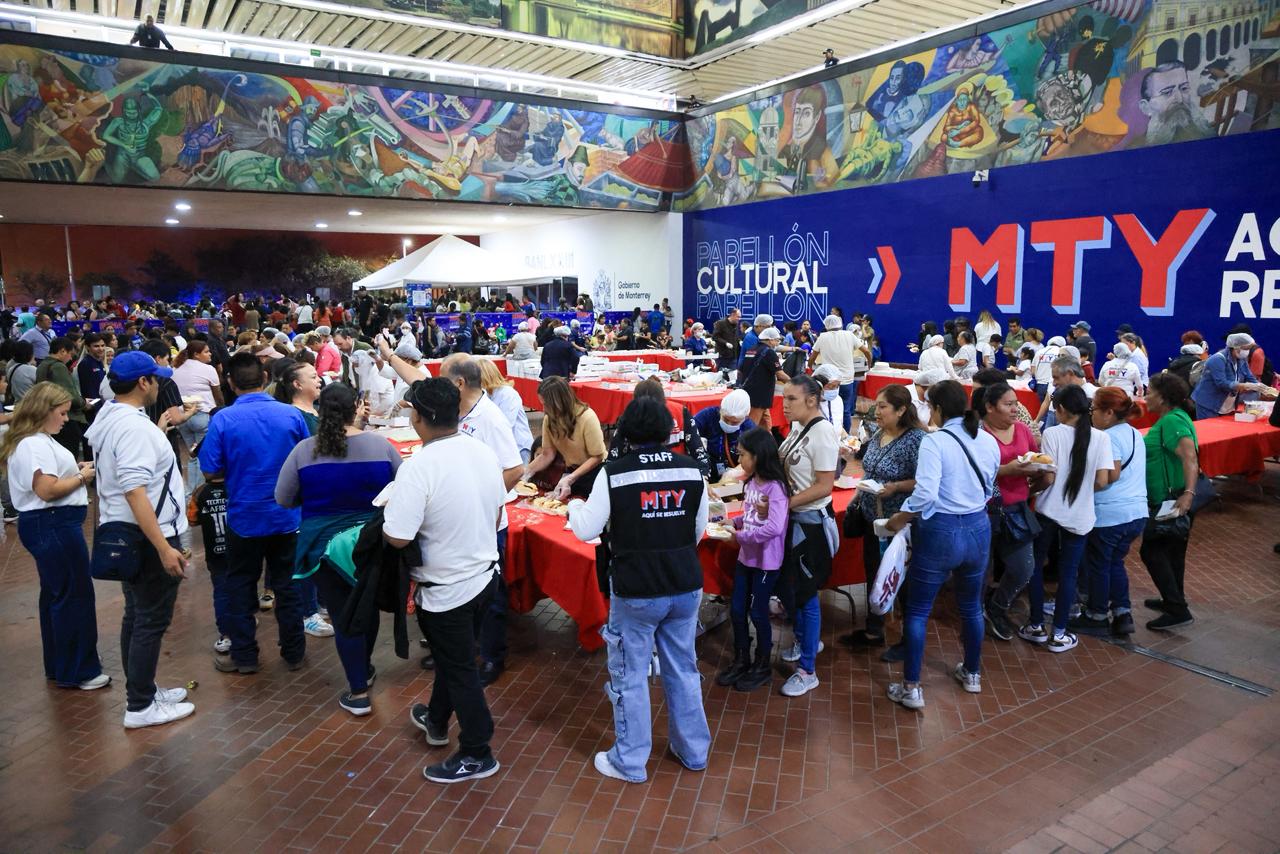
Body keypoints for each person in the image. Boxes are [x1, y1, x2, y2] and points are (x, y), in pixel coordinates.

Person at [567, 397, 710, 782]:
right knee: (683, 668)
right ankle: (693, 751)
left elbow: (585, 530)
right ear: (668, 431)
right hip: (684, 582)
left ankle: (629, 761)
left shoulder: (613, 474)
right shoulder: (693, 470)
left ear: (626, 430)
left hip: (636, 588)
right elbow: (698, 532)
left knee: (630, 674)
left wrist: (574, 508)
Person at [386, 378, 505, 783]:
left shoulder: (418, 467)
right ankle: (437, 720)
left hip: (447, 589)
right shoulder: (482, 452)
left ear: (417, 416)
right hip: (485, 576)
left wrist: (385, 515)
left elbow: (399, 536)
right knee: (456, 660)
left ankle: (477, 751)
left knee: (460, 669)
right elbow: (496, 517)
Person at [275, 384, 400, 717]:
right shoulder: (381, 446)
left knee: (344, 616)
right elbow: (403, 491)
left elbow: (283, 498)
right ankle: (366, 666)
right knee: (367, 607)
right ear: (357, 406)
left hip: (323, 548)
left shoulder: (304, 451)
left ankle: (358, 690)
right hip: (372, 543)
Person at [84, 352, 193, 728]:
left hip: (128, 531)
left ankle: (142, 689)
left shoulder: (112, 417)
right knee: (150, 619)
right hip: (150, 535)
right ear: (143, 382)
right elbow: (135, 490)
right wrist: (164, 547)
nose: (160, 384)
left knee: (137, 616)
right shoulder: (133, 428)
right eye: (155, 378)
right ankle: (140, 704)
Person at [882, 380, 998, 709]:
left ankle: (911, 688)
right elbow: (990, 486)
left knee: (917, 611)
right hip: (978, 528)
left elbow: (926, 493)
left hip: (940, 532)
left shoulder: (935, 443)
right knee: (972, 606)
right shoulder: (986, 440)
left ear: (936, 409)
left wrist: (900, 518)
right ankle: (972, 674)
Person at [199, 352, 311, 675]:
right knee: (288, 586)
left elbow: (209, 469)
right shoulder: (291, 416)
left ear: (231, 384)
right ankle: (294, 652)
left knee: (240, 586)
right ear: (264, 379)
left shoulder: (223, 420)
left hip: (244, 518)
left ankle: (245, 656)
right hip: (287, 517)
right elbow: (305, 459)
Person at [1, 382, 106, 690]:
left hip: (50, 524)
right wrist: (82, 476)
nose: (65, 419)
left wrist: (75, 470)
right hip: (54, 524)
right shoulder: (34, 444)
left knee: (57, 595)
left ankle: (61, 666)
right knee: (73, 596)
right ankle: (79, 671)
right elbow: (46, 490)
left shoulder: (33, 441)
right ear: (44, 411)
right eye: (61, 413)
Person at [440, 354, 524, 687]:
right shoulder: (458, 413)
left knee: (491, 594)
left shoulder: (490, 418)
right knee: (463, 588)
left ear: (460, 383)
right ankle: (464, 649)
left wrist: (483, 502)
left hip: (487, 523)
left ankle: (492, 657)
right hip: (462, 521)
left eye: (444, 378)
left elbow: (514, 469)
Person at [1019, 385, 1113, 653]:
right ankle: (1059, 633)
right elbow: (1103, 480)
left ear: (1059, 410)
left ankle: (1035, 624)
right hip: (1081, 515)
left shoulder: (1052, 433)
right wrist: (1082, 490)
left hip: (1048, 510)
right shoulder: (1101, 439)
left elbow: (1047, 474)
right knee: (1068, 573)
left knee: (1036, 567)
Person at [841, 384, 925, 654]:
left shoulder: (916, 440)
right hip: (871, 517)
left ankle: (907, 639)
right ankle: (874, 626)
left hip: (897, 522)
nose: (876, 411)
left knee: (898, 576)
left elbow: (924, 481)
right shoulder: (879, 433)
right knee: (874, 570)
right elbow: (870, 468)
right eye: (876, 405)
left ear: (901, 410)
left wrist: (896, 487)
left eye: (883, 406)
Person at [1065, 387, 1147, 638]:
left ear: (1109, 412)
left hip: (1111, 514)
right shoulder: (1134, 433)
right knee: (1114, 563)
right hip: (1136, 513)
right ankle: (1123, 613)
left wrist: (1075, 486)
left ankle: (1097, 615)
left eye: (1094, 411)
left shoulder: (1108, 437)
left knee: (1099, 565)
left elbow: (1110, 475)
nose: (1092, 416)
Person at [777, 375, 839, 698]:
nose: (784, 405)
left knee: (808, 594)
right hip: (793, 519)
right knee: (793, 588)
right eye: (784, 398)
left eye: (791, 399)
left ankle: (808, 669)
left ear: (812, 400)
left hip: (810, 523)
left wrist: (782, 504)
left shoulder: (824, 433)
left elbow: (824, 486)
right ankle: (804, 638)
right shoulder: (799, 427)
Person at [714, 428, 789, 692]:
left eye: (743, 454)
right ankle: (741, 658)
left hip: (766, 563)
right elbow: (747, 515)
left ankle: (762, 664)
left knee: (758, 613)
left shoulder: (776, 487)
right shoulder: (751, 483)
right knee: (737, 609)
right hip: (746, 559)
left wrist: (740, 536)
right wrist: (731, 522)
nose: (739, 459)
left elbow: (774, 527)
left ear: (758, 456)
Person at [973, 382, 1041, 642]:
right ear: (989, 407)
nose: (1015, 409)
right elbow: (974, 473)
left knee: (1023, 568)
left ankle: (997, 606)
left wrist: (1042, 475)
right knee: (981, 569)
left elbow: (1035, 458)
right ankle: (974, 613)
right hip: (984, 510)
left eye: (1016, 403)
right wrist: (1005, 470)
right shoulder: (978, 435)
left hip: (1016, 509)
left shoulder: (1023, 430)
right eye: (1008, 404)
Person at [1140, 372, 1201, 631]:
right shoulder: (1170, 419)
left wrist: (1188, 493)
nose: (1145, 397)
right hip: (1171, 497)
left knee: (1151, 550)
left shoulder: (1172, 422)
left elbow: (1189, 457)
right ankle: (1173, 599)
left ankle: (1177, 608)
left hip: (1172, 499)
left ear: (1163, 398)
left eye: (1149, 392)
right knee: (1173, 552)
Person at [524, 376, 606, 500]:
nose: (544, 410)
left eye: (546, 405)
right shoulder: (549, 419)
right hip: (572, 471)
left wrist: (571, 477)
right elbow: (547, 454)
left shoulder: (587, 417)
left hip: (594, 473)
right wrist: (526, 471)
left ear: (559, 402)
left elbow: (597, 456)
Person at [172, 341, 223, 492]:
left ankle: (191, 494)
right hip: (202, 414)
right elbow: (217, 393)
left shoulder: (176, 369)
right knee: (204, 455)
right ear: (196, 354)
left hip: (183, 417)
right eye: (206, 352)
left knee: (193, 456)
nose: (210, 354)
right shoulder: (208, 369)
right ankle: (200, 492)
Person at [1190, 332, 1268, 420]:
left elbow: (1249, 377)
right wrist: (1243, 386)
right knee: (1209, 431)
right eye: (1246, 348)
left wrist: (1262, 387)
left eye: (1249, 349)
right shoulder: (1217, 359)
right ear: (1236, 348)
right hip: (1208, 404)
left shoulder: (1241, 359)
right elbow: (1221, 383)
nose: (1247, 352)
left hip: (1226, 404)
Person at [34, 337, 87, 458]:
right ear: (62, 351)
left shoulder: (42, 365)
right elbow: (69, 395)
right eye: (70, 354)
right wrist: (84, 403)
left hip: (48, 415)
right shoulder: (58, 367)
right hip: (66, 416)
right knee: (69, 453)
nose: (70, 358)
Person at [810, 314, 865, 432]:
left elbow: (813, 355)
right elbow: (866, 351)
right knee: (845, 409)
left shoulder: (823, 337)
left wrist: (810, 366)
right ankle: (846, 435)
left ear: (826, 325)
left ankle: (828, 431)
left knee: (826, 407)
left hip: (828, 381)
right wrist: (869, 364)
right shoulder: (849, 335)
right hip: (846, 379)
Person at [478, 359, 533, 464]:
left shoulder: (507, 394)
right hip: (502, 448)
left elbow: (505, 424)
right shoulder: (486, 394)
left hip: (519, 448)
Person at [737, 327, 788, 429]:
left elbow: (740, 371)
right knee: (751, 427)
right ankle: (746, 444)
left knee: (766, 425)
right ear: (770, 340)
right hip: (760, 396)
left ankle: (768, 444)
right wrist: (796, 383)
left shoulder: (751, 350)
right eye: (777, 340)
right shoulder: (769, 352)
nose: (777, 343)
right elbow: (780, 374)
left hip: (748, 392)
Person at [275, 360, 322, 435]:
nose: (320, 379)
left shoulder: (319, 410)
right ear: (297, 384)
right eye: (314, 377)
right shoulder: (294, 416)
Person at [77, 333, 108, 403]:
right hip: (93, 406)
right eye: (96, 346)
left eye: (103, 345)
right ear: (87, 347)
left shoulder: (100, 362)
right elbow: (87, 389)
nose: (101, 349)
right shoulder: (85, 364)